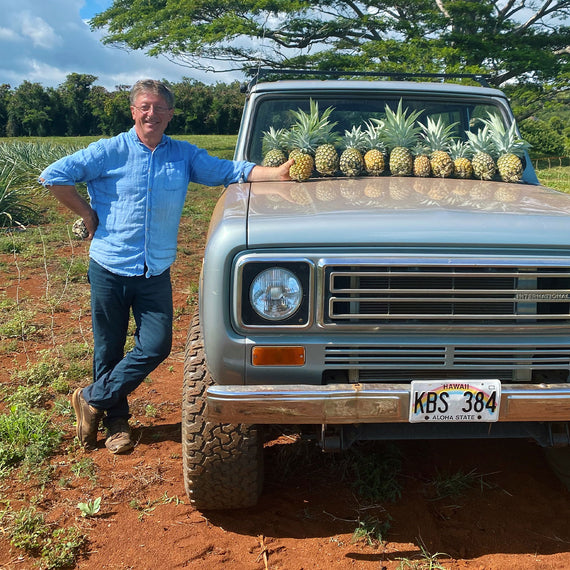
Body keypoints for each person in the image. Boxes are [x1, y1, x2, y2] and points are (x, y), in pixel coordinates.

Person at [39, 79, 292, 454]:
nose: (151, 114)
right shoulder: (108, 151)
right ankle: (116, 422)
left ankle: (91, 398)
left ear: (170, 114)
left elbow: (229, 171)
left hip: (154, 270)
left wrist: (278, 173)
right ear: (133, 111)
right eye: (144, 107)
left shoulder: (183, 155)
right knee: (108, 348)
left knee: (156, 346)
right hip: (109, 266)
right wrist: (87, 213)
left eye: (159, 108)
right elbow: (53, 176)